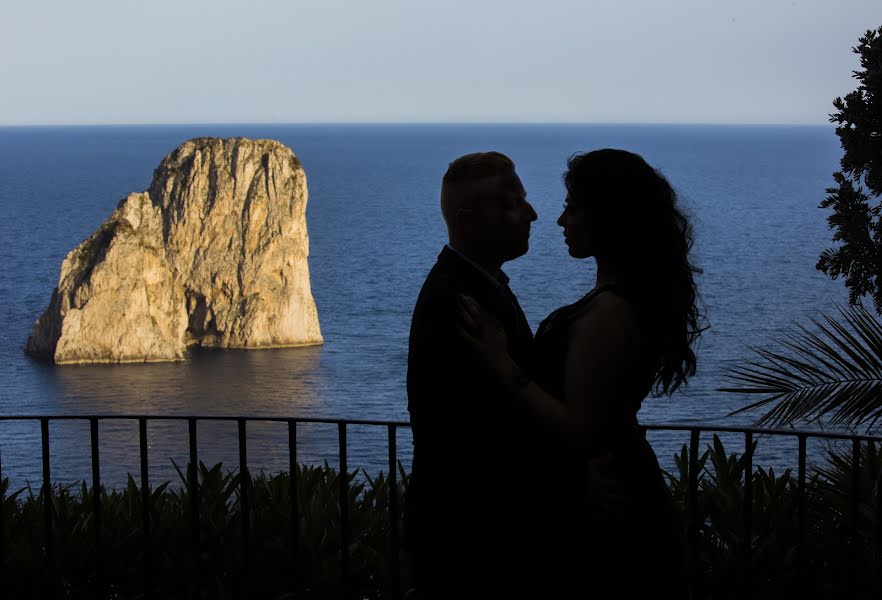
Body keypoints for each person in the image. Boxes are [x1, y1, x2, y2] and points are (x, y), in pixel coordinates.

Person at [458, 149, 703, 596]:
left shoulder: (608, 313)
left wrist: (501, 363)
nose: (559, 220)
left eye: (572, 208)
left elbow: (578, 429)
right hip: (617, 483)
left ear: (605, 217)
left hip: (607, 501)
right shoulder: (625, 299)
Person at [405, 151, 540, 599]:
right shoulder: (458, 300)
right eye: (511, 203)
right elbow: (486, 428)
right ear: (468, 221)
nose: (531, 213)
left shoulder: (472, 285)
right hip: (474, 533)